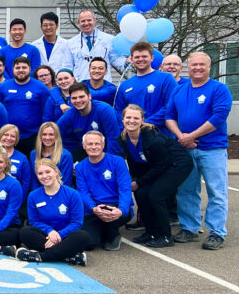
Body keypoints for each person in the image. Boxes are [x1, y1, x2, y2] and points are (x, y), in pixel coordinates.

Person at [165, 51, 232, 250]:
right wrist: (182, 137)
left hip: (213, 149)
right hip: (186, 148)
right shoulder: (179, 90)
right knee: (186, 190)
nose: (197, 68)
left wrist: (191, 136)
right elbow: (169, 116)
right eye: (194, 65)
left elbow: (218, 117)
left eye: (202, 65)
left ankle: (217, 232)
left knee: (216, 192)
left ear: (209, 67)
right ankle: (189, 228)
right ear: (188, 67)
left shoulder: (219, 89)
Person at [120, 104, 194, 249]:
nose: (132, 121)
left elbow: (162, 165)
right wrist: (136, 181)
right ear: (122, 119)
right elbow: (135, 163)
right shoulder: (124, 139)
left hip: (177, 164)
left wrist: (140, 181)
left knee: (156, 195)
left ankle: (165, 236)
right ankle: (151, 232)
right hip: (158, 166)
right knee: (141, 194)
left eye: (136, 118)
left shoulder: (153, 139)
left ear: (142, 120)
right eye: (128, 117)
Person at [15, 159, 93, 265]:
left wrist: (59, 235)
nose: (44, 176)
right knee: (25, 232)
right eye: (40, 173)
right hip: (45, 236)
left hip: (66, 236)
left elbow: (76, 223)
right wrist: (50, 231)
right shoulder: (33, 196)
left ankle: (40, 256)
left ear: (56, 171)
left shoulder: (73, 194)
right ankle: (68, 257)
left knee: (83, 236)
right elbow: (34, 221)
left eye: (48, 172)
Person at [74, 131, 132, 251]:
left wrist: (122, 210)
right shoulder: (80, 167)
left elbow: (125, 188)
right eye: (90, 144)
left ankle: (114, 235)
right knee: (88, 243)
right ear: (84, 146)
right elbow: (83, 192)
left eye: (97, 143)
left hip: (116, 207)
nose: (93, 147)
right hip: (95, 209)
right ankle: (104, 230)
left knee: (110, 216)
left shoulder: (117, 161)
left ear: (103, 144)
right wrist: (93, 208)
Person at [0, 56, 53, 153]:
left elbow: (47, 113)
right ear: (13, 69)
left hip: (33, 136)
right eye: (17, 68)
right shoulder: (3, 87)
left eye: (24, 67)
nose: (21, 70)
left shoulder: (41, 87)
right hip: (9, 137)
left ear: (30, 69)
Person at [114, 41, 178, 130]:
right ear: (131, 59)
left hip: (160, 136)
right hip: (133, 137)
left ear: (152, 58)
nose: (141, 59)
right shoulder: (125, 85)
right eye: (137, 57)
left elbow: (171, 105)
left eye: (144, 56)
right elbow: (119, 111)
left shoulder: (166, 78)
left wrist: (146, 123)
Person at [57, 82, 122, 160]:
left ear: (89, 96)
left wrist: (109, 163)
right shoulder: (70, 115)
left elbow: (114, 139)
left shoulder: (104, 110)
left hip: (108, 151)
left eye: (81, 97)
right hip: (87, 152)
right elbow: (56, 133)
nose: (78, 100)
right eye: (74, 98)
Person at [69, 9, 125, 80]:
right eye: (83, 21)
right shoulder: (71, 43)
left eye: (89, 20)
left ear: (94, 20)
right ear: (78, 23)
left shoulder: (109, 39)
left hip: (103, 84)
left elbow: (115, 59)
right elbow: (68, 66)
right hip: (81, 85)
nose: (86, 23)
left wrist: (126, 62)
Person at [29, 122, 74, 191]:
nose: (47, 137)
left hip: (62, 194)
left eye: (51, 134)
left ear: (56, 136)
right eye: (44, 134)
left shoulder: (65, 155)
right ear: (40, 136)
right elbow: (34, 181)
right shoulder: (34, 154)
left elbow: (66, 182)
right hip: (40, 194)